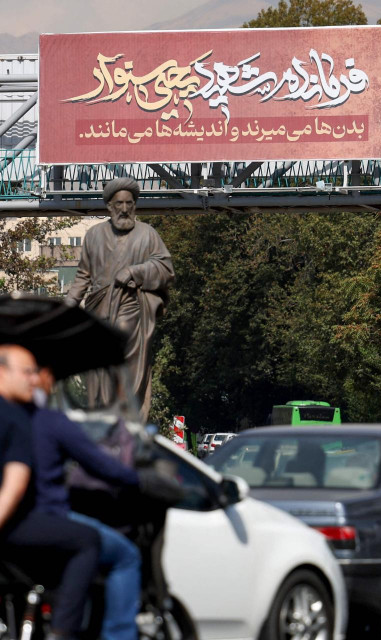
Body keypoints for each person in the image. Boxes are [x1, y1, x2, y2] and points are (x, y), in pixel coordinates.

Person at [28, 365, 143, 640]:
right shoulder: (49, 421)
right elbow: (99, 463)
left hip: (15, 524)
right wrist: (134, 477)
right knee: (126, 556)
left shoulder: (12, 418)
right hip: (48, 517)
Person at [0, 344, 101, 640]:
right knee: (88, 539)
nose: (33, 379)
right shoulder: (16, 418)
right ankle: (62, 632)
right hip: (12, 526)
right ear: (2, 371)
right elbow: (15, 483)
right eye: (27, 372)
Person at [66, 177, 175, 420]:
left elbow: (166, 269)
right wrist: (65, 308)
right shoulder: (94, 236)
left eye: (129, 203)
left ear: (135, 205)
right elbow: (83, 277)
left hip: (130, 308)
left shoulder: (148, 234)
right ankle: (105, 415)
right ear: (109, 207)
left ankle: (124, 413)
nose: (124, 209)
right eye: (119, 204)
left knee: (122, 352)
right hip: (98, 309)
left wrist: (135, 271)